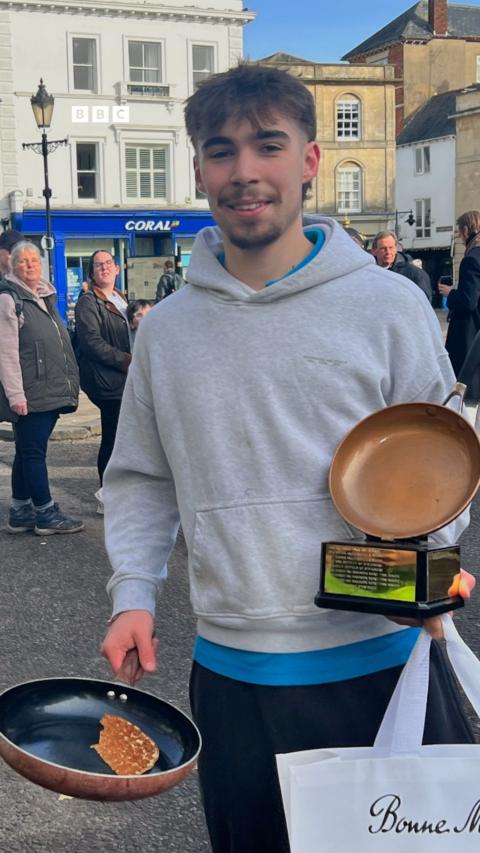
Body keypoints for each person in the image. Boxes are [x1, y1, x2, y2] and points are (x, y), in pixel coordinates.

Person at [100, 64, 474, 853]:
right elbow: (141, 478)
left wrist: (432, 562)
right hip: (237, 676)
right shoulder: (165, 331)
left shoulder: (387, 304)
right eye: (221, 150)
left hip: (380, 661)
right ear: (198, 166)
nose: (244, 172)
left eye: (268, 145)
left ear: (308, 160)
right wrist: (133, 594)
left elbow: (444, 463)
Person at [0, 241, 84, 535]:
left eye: (35, 260)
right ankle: (45, 513)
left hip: (45, 387)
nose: (30, 265)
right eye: (23, 261)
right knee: (34, 452)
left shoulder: (42, 296)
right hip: (31, 391)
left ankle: (21, 510)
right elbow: (6, 353)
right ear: (13, 266)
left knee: (26, 451)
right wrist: (16, 395)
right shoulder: (10, 299)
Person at [74, 250, 131, 515]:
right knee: (113, 438)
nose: (104, 268)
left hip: (126, 378)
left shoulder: (120, 297)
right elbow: (92, 343)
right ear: (92, 272)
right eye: (98, 265)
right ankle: (106, 496)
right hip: (108, 381)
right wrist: (126, 360)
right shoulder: (88, 302)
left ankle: (124, 493)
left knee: (125, 439)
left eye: (108, 263)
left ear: (117, 269)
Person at [439, 211, 480, 400]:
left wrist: (450, 293)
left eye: (459, 231)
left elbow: (468, 301)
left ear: (465, 230)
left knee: (464, 382)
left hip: (469, 331)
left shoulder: (471, 259)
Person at [371, 230, 433, 302]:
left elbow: (424, 303)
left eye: (391, 248)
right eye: (383, 248)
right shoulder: (367, 273)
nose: (388, 252)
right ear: (374, 251)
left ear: (396, 249)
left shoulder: (415, 274)